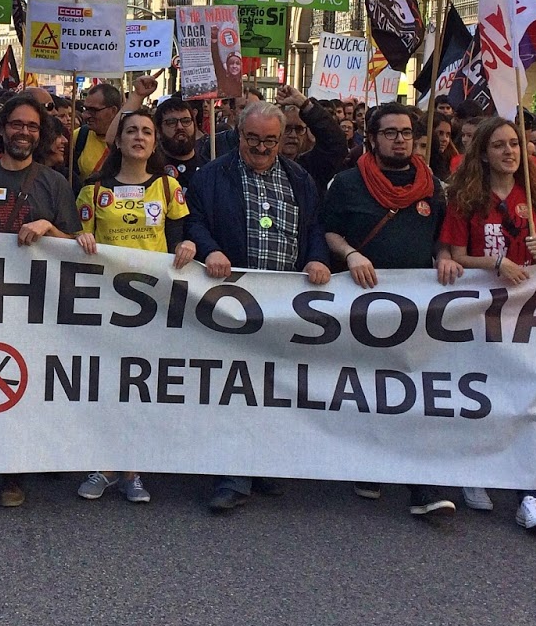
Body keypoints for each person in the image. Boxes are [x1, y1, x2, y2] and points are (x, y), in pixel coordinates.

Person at [186, 101, 330, 513]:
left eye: (271, 139)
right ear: (239, 134)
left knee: (273, 386)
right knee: (233, 388)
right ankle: (231, 474)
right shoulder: (213, 176)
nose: (263, 147)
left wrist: (317, 256)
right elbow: (195, 222)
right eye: (254, 139)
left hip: (283, 303)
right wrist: (210, 249)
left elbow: (313, 226)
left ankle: (263, 463)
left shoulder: (299, 178)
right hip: (231, 299)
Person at [321, 104, 462, 522]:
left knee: (411, 386)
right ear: (372, 138)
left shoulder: (433, 186)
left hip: (416, 305)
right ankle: (370, 463)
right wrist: (350, 254)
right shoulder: (346, 184)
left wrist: (443, 257)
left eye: (406, 133)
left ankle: (421, 484)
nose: (400, 140)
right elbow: (326, 230)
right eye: (390, 133)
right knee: (367, 385)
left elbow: (442, 237)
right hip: (362, 301)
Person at [436, 117, 536, 532]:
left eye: (515, 144)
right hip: (479, 312)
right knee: (481, 394)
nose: (510, 152)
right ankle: (476, 472)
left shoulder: (535, 196)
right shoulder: (467, 198)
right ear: (483, 152)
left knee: (525, 397)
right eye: (499, 145)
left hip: (523, 313)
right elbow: (457, 254)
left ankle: (527, 495)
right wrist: (496, 263)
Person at [0, 94, 81, 507]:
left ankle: (14, 472)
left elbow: (75, 245)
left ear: (40, 134)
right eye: (16, 124)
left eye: (32, 126)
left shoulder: (55, 183)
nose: (23, 132)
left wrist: (49, 227)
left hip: (35, 306)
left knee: (22, 386)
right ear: (1, 128)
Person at [73, 109, 194, 505]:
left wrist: (189, 246)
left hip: (153, 303)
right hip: (106, 301)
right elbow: (76, 240)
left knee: (141, 384)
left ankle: (133, 470)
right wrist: (80, 239)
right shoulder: (93, 191)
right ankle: (104, 465)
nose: (139, 137)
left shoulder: (167, 187)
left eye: (146, 131)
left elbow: (181, 238)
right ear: (118, 140)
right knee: (107, 382)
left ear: (154, 142)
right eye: (131, 131)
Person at [72, 83, 122, 181]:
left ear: (113, 111)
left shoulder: (128, 140)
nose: (86, 116)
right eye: (85, 109)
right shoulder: (79, 136)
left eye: (93, 110)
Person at [154, 95, 205, 182]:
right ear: (159, 130)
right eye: (171, 122)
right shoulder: (151, 170)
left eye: (186, 121)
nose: (180, 127)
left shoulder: (209, 170)